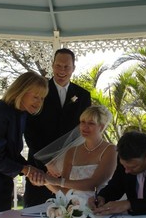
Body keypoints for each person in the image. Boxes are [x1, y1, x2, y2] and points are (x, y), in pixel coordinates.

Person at [24, 48, 91, 207]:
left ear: (73, 68)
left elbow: (83, 132)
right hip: (39, 167)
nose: (62, 70)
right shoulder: (39, 91)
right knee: (36, 209)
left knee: (70, 209)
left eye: (66, 67)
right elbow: (29, 130)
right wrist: (48, 162)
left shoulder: (82, 95)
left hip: (69, 169)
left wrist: (65, 163)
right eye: (58, 66)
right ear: (52, 66)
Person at [34, 105, 117, 202]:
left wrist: (56, 181)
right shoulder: (72, 152)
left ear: (101, 127)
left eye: (91, 123)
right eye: (82, 122)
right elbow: (65, 191)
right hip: (73, 207)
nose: (85, 127)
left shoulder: (110, 150)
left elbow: (94, 184)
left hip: (99, 204)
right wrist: (45, 181)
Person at [0, 71, 48, 211]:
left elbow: (11, 153)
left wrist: (31, 169)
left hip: (2, 185)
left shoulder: (20, 114)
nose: (39, 102)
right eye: (36, 97)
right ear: (21, 91)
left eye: (42, 98)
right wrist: (26, 169)